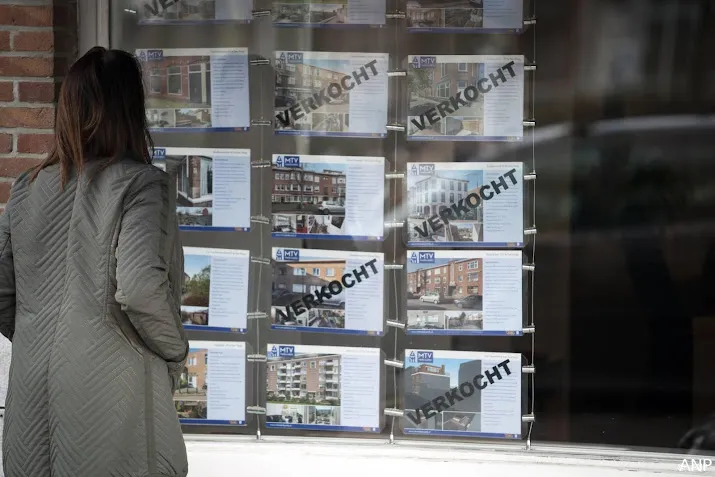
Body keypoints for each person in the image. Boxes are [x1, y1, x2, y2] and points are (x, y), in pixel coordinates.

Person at [0, 47, 189, 477]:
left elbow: (1, 292)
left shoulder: (26, 189)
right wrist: (176, 351)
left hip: (32, 398)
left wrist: (42, 333)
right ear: (131, 107)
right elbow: (140, 289)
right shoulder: (141, 186)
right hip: (111, 399)